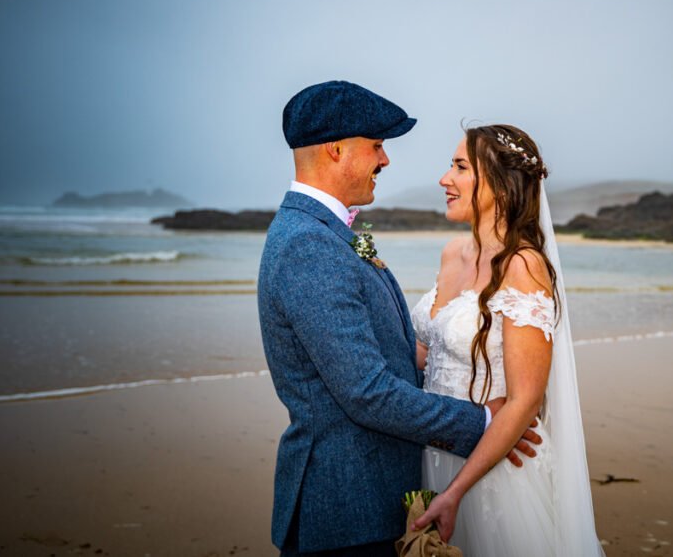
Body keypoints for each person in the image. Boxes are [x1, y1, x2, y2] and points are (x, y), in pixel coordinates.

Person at [257, 82, 536, 557]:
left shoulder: (325, 234)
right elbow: (367, 393)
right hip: (346, 511)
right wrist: (485, 420)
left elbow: (394, 358)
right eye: (377, 146)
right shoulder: (310, 245)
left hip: (373, 497)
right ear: (336, 149)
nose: (385, 160)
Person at [411, 124, 605, 555]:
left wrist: (455, 492)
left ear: (499, 184)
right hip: (434, 454)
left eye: (460, 166)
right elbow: (423, 358)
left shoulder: (524, 266)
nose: (445, 179)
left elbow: (524, 400)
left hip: (493, 472)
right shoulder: (451, 254)